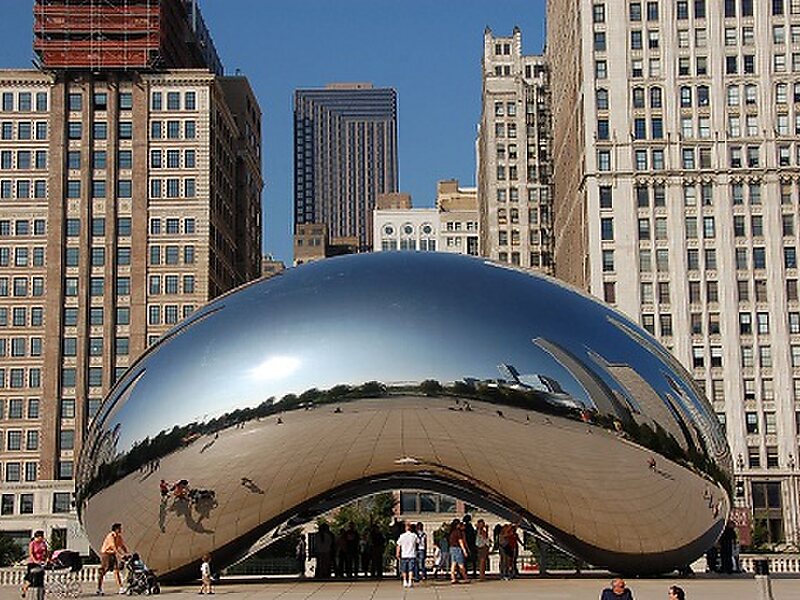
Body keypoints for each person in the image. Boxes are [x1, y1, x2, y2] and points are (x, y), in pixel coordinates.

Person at [97, 522, 129, 595]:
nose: (121, 530)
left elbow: (122, 545)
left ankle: (121, 587)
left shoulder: (119, 536)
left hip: (113, 555)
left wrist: (127, 553)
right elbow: (113, 547)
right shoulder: (111, 536)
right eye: (120, 528)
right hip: (106, 554)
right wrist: (120, 555)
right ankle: (99, 588)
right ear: (116, 529)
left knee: (116, 571)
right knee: (103, 571)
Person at [21, 530, 48, 599]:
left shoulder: (43, 543)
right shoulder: (32, 543)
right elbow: (31, 553)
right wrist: (35, 561)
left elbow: (46, 552)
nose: (42, 538)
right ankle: (24, 589)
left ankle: (41, 595)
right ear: (38, 537)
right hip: (32, 563)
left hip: (41, 562)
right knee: (30, 579)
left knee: (40, 579)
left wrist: (46, 559)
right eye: (41, 537)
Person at [396, 521, 418, 589]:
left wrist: (397, 553)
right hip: (412, 554)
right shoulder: (414, 536)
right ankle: (410, 581)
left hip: (404, 554)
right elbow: (418, 543)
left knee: (404, 569)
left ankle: (405, 581)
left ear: (405, 528)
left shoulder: (402, 536)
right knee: (411, 569)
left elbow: (398, 545)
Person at [448, 519, 469, 584]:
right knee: (461, 564)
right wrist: (464, 550)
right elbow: (460, 542)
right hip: (457, 549)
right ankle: (465, 578)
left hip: (451, 548)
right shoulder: (458, 532)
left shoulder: (451, 532)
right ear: (457, 525)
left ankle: (453, 578)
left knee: (453, 564)